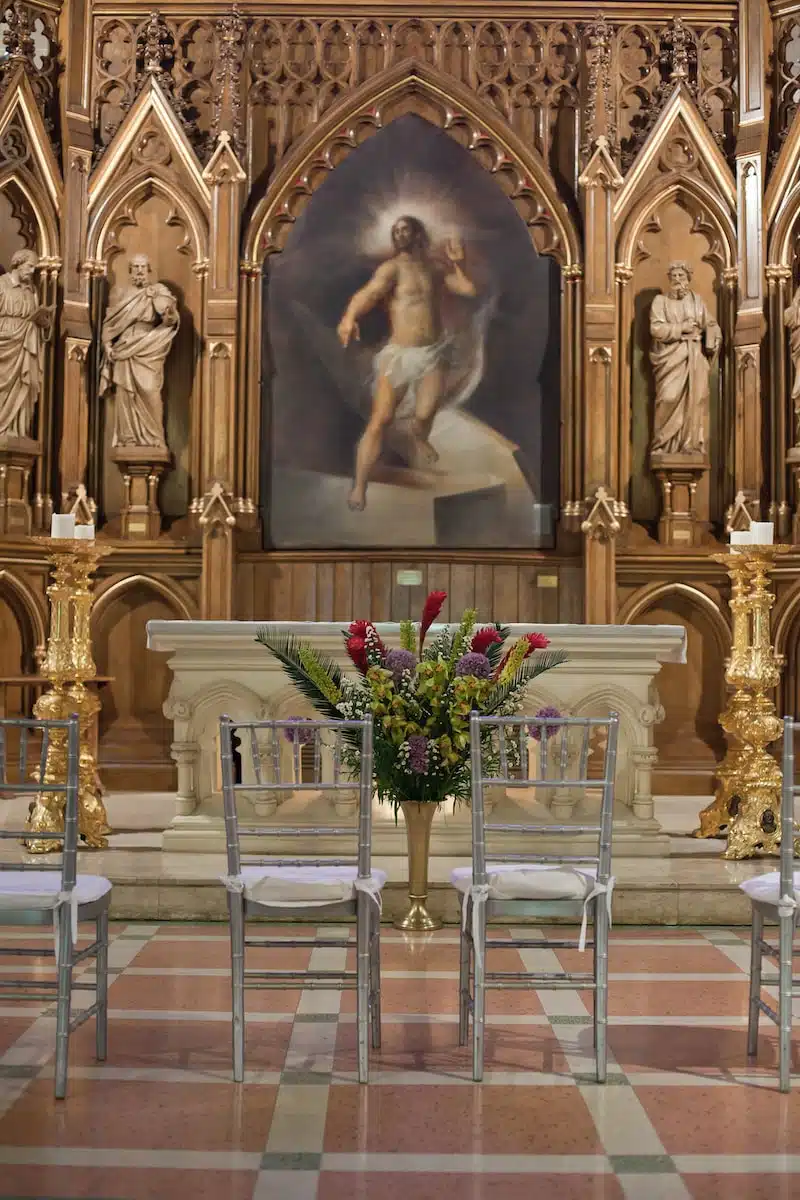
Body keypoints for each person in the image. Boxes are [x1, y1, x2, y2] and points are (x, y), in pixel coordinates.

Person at [337, 215, 477, 511]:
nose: (400, 234)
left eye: (405, 229)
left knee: (426, 413)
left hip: (433, 352)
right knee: (380, 421)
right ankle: (359, 486)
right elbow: (370, 294)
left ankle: (418, 434)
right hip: (400, 355)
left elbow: (468, 290)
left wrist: (458, 263)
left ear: (417, 234)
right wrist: (350, 317)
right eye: (396, 230)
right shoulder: (392, 269)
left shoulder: (435, 268)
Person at [100, 254, 180, 449]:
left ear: (149, 271)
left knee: (151, 391)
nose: (139, 271)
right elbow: (109, 324)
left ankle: (155, 438)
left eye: (143, 268)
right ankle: (128, 438)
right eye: (135, 267)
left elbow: (169, 319)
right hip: (125, 347)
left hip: (148, 348)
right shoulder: (120, 294)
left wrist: (169, 313)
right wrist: (107, 345)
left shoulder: (159, 291)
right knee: (125, 394)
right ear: (130, 271)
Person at [648, 261, 721, 457]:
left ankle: (691, 444)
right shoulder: (660, 301)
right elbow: (656, 329)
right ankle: (662, 444)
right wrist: (681, 328)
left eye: (681, 276)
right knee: (668, 397)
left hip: (695, 357)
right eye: (674, 276)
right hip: (671, 359)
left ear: (688, 279)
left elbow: (711, 324)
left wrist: (714, 336)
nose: (677, 280)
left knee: (695, 401)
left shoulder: (697, 301)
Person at [0, 249, 51, 439]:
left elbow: (36, 319)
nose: (32, 271)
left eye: (35, 268)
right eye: (30, 266)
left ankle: (16, 429)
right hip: (5, 344)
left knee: (24, 385)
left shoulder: (32, 290)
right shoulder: (1, 285)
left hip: (25, 345)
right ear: (18, 263)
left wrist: (43, 322)